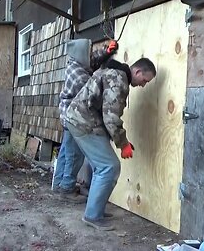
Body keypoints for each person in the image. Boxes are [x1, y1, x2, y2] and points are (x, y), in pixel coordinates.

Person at [65, 55, 156, 230]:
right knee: (109, 167)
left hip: (79, 119)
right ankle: (92, 216)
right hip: (83, 122)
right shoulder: (119, 79)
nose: (144, 84)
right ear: (137, 71)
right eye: (145, 80)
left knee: (101, 166)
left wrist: (123, 141)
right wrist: (123, 145)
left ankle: (95, 210)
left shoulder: (112, 71)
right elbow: (111, 118)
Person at [52, 39, 118, 203]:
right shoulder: (78, 75)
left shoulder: (76, 63)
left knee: (66, 152)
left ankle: (59, 184)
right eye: (88, 52)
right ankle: (67, 188)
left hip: (67, 116)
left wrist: (106, 51)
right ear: (81, 54)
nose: (90, 55)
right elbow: (92, 93)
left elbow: (93, 61)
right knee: (74, 154)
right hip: (75, 118)